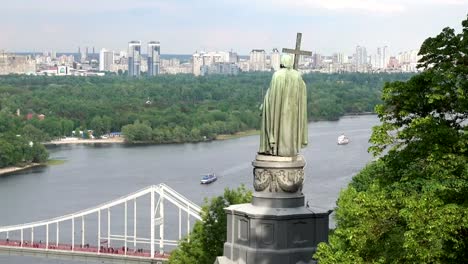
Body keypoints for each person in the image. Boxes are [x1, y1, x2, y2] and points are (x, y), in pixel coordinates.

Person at [259, 54, 308, 157]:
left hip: (278, 109)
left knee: (278, 125)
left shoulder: (277, 75)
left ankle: (275, 148)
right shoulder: (297, 76)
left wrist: (266, 103)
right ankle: (290, 149)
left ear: (282, 62)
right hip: (293, 109)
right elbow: (302, 92)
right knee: (290, 128)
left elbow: (271, 96)